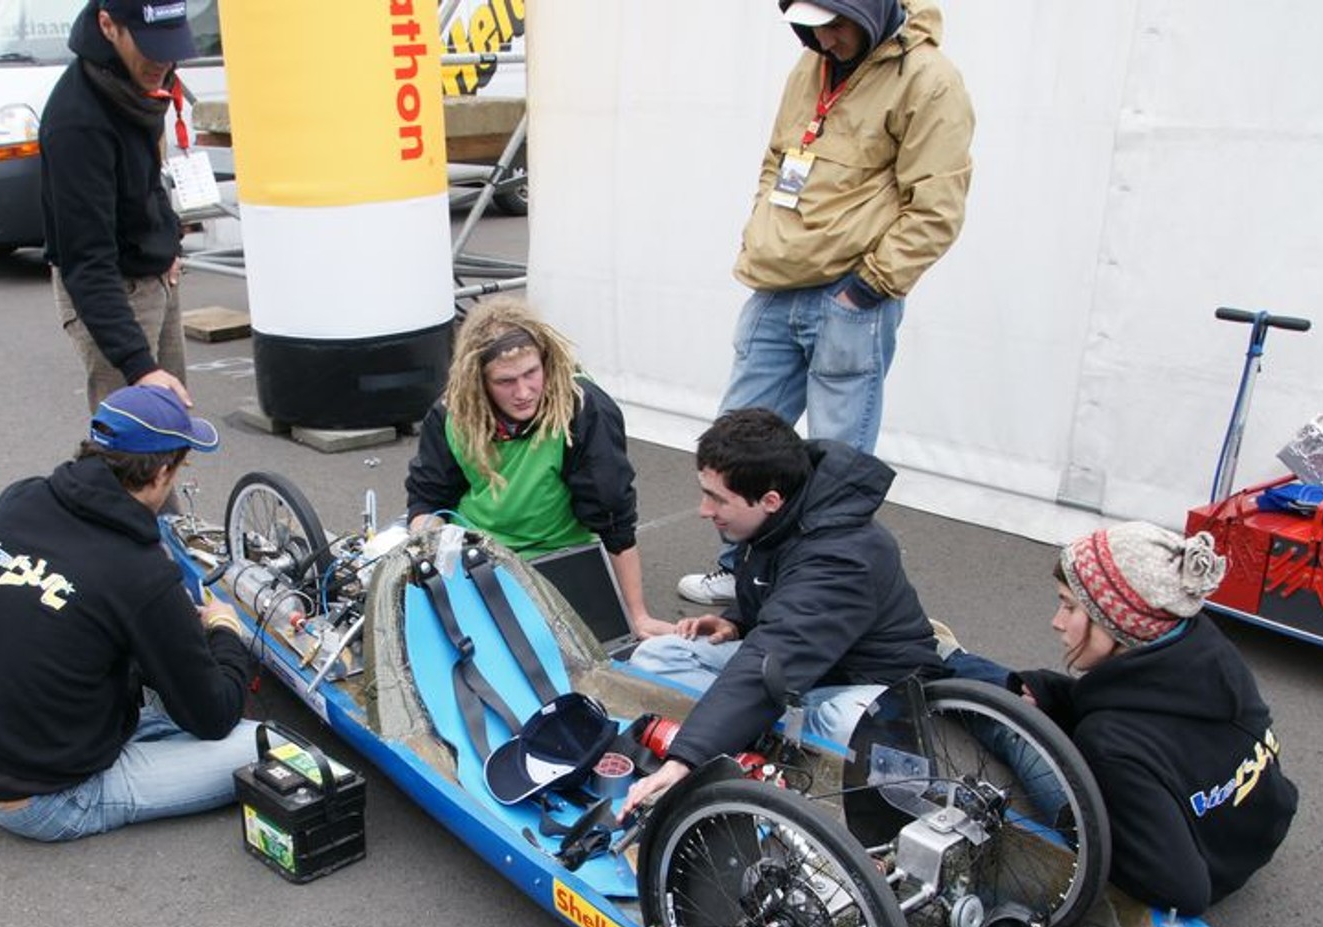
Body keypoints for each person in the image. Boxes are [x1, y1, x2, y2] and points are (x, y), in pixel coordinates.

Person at [679, 0, 974, 606]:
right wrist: (760, 234)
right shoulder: (808, 65)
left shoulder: (929, 79)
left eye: (837, 23)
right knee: (735, 437)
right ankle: (739, 574)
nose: (825, 38)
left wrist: (864, 288)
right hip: (777, 281)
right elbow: (777, 162)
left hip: (851, 294)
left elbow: (937, 208)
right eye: (811, 24)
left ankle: (819, 592)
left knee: (837, 458)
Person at [0, 384, 261, 842]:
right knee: (269, 748)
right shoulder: (137, 570)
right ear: (163, 473)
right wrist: (224, 633)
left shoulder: (21, 497)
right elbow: (215, 715)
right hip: (45, 798)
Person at [945, 523, 1299, 916]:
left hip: (1204, 863)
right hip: (1254, 830)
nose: (1057, 622)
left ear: (1118, 619)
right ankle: (949, 661)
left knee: (1018, 731)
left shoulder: (1110, 743)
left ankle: (940, 663)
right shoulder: (1207, 648)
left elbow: (1186, 891)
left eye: (1069, 605)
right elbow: (1144, 709)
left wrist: (1099, 838)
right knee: (1032, 692)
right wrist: (1053, 694)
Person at [624, 408, 941, 815]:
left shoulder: (843, 557)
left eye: (717, 498)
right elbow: (778, 593)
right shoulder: (782, 510)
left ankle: (756, 741)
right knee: (655, 655)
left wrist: (685, 759)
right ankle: (756, 735)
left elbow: (775, 652)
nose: (704, 509)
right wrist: (737, 620)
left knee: (848, 725)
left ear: (770, 500)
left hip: (864, 681)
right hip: (798, 670)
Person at [404, 297, 677, 639]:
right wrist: (429, 545)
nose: (523, 392)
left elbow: (613, 514)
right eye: (505, 381)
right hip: (477, 551)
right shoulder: (452, 413)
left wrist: (637, 615)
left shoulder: (581, 408)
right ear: (478, 382)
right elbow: (428, 497)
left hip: (558, 557)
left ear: (546, 359)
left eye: (532, 373)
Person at [41, 1, 197, 417]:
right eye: (150, 46)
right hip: (108, 288)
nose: (163, 61)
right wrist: (137, 365)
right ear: (108, 25)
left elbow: (146, 175)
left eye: (171, 45)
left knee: (172, 427)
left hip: (156, 274)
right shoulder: (77, 123)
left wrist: (166, 239)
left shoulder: (135, 83)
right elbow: (85, 260)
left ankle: (167, 483)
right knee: (130, 452)